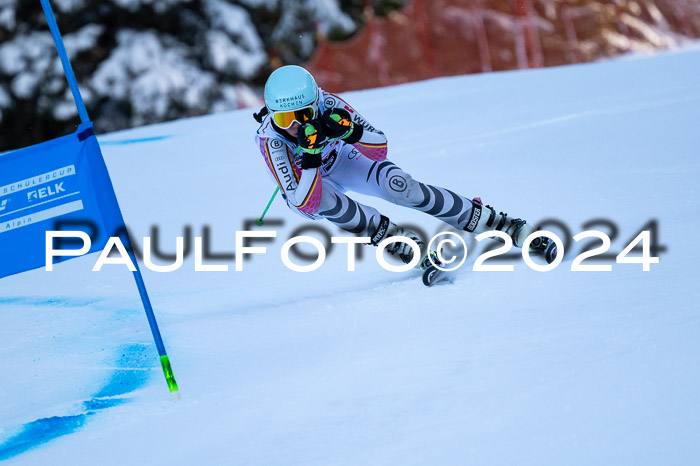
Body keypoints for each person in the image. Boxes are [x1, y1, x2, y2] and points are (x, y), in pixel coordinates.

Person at [253, 65, 557, 268]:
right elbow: (305, 202)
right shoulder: (271, 140)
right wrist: (310, 154)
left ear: (316, 103)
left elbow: (380, 147)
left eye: (303, 114)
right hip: (311, 181)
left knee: (400, 186)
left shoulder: (329, 104)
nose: (293, 125)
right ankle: (395, 241)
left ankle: (499, 223)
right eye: (283, 118)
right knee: (329, 204)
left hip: (343, 160)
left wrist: (349, 132)